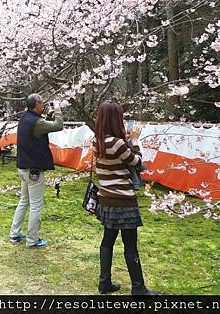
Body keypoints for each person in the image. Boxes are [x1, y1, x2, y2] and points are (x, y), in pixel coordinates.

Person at [92, 101, 156, 296]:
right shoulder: (117, 143)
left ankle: (105, 283)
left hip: (106, 199)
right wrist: (135, 141)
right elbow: (137, 162)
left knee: (107, 242)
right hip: (123, 201)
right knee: (130, 246)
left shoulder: (98, 140)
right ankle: (138, 287)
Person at [9, 93, 63, 248]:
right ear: (36, 105)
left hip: (23, 168)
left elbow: (43, 124)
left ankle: (15, 233)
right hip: (34, 171)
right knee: (36, 205)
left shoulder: (25, 118)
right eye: (42, 103)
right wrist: (58, 109)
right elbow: (58, 125)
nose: (44, 104)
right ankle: (32, 240)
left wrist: (49, 114)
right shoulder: (37, 123)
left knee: (24, 201)